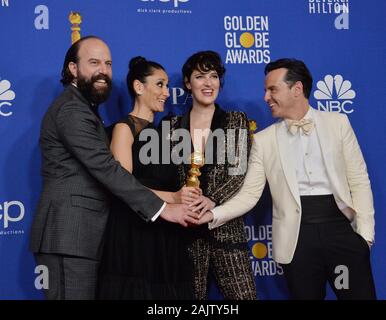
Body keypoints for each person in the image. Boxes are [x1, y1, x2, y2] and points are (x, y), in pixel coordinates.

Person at [29, 36, 197, 300]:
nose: (103, 70)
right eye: (94, 62)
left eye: (108, 64)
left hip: (83, 237)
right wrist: (165, 208)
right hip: (69, 235)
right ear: (73, 68)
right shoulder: (72, 109)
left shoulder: (85, 108)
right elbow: (107, 169)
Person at [199, 58, 376, 300]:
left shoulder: (338, 123)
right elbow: (250, 194)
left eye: (272, 89)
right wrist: (213, 214)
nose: (266, 97)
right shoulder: (264, 140)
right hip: (297, 241)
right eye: (265, 90)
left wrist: (365, 236)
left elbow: (359, 180)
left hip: (341, 233)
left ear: (297, 89)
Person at [97, 56, 199, 299]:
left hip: (167, 232)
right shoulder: (124, 128)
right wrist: (173, 197)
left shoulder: (167, 133)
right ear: (139, 87)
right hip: (134, 232)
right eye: (160, 84)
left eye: (167, 85)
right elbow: (123, 185)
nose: (166, 92)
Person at [159, 51, 257, 299]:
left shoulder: (235, 120)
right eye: (200, 76)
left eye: (214, 76)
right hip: (185, 232)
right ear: (187, 83)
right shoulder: (170, 126)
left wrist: (212, 199)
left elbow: (238, 172)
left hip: (226, 229)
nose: (208, 83)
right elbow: (167, 175)